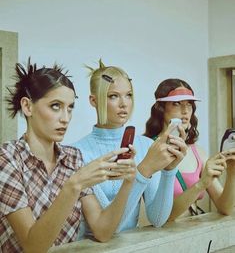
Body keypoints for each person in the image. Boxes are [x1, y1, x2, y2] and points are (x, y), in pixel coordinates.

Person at [0, 59, 137, 253]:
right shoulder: (7, 159)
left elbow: (102, 231)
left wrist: (128, 183)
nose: (65, 118)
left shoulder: (73, 158)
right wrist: (73, 186)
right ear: (27, 106)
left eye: (70, 107)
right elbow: (33, 246)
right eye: (55, 106)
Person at [72, 60, 187, 237]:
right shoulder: (77, 154)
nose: (124, 103)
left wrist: (168, 172)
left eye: (129, 95)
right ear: (93, 101)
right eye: (113, 96)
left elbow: (157, 219)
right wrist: (144, 170)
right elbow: (110, 229)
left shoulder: (146, 146)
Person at [144, 78, 235, 220]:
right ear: (160, 108)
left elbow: (225, 208)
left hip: (192, 235)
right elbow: (161, 217)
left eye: (189, 104)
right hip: (163, 238)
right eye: (177, 104)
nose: (185, 110)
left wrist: (232, 173)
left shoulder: (197, 151)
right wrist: (201, 184)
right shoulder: (148, 149)